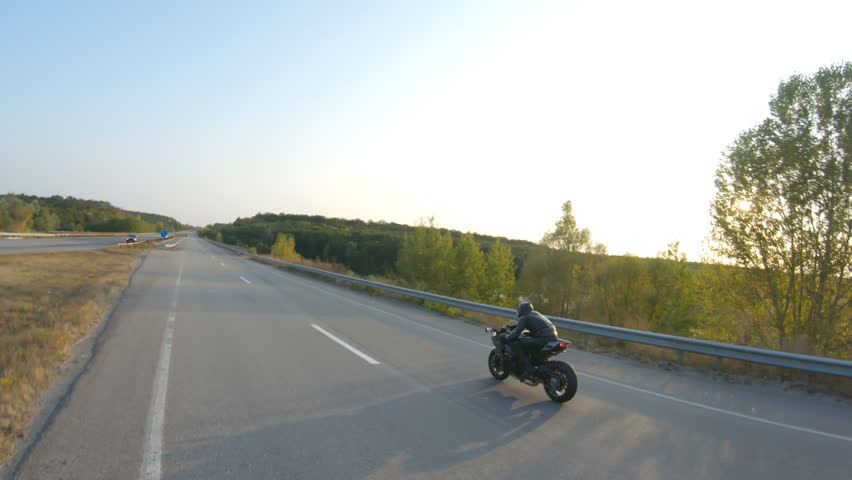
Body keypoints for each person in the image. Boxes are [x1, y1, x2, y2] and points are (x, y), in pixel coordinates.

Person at [503, 302, 557, 381]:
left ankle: (529, 370)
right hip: (553, 337)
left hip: (543, 338)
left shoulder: (524, 317)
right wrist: (529, 333)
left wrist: (507, 337)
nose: (519, 311)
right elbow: (540, 327)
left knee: (516, 344)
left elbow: (516, 333)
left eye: (519, 310)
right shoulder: (537, 314)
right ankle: (536, 364)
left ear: (522, 310)